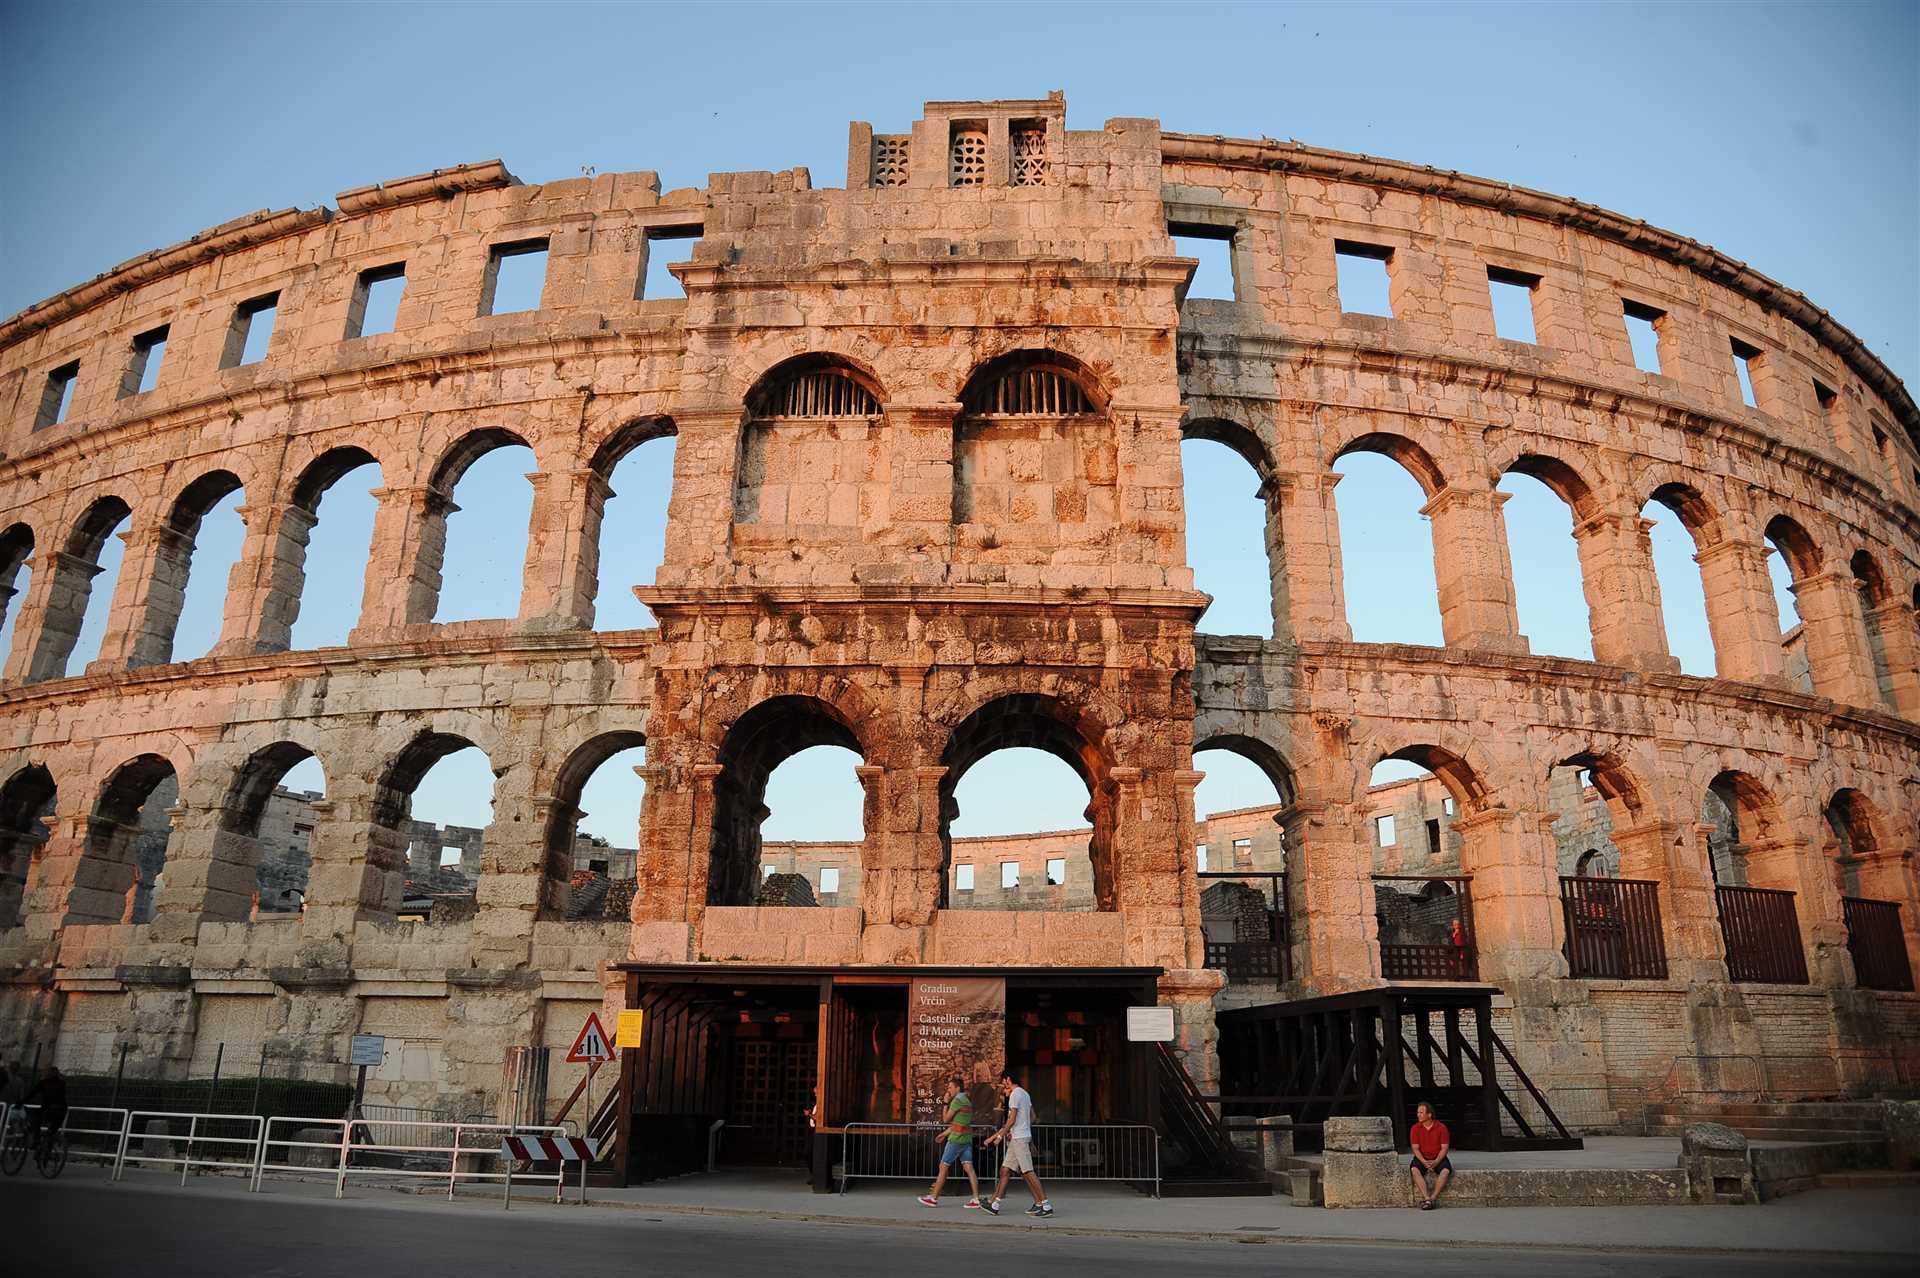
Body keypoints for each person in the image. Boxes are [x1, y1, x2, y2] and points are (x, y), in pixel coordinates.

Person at [981, 1069, 1050, 1217]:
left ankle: (1045, 1205)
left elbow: (1011, 1120)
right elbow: (1032, 1116)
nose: (1003, 1084)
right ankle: (995, 1204)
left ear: (1008, 1079)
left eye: (1003, 1081)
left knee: (1028, 1172)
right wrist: (1020, 1128)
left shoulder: (1014, 1095)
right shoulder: (1025, 1094)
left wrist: (1001, 1136)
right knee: (1005, 1170)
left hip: (1019, 1139)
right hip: (1018, 1137)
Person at [918, 1074, 982, 1208]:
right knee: (969, 1168)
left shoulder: (957, 1100)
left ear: (958, 1088)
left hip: (956, 1140)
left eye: (951, 1087)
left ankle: (933, 1198)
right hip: (966, 1139)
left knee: (943, 1166)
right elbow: (960, 1123)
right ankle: (976, 1199)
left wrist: (945, 1103)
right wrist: (943, 1133)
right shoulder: (967, 1101)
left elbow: (946, 1119)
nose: (949, 1090)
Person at [1408, 1100, 1451, 1209]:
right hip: (1422, 1158)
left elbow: (1444, 1148)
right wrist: (1424, 1161)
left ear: (1429, 1114)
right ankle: (1426, 1197)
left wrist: (1436, 1161)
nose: (1418, 1115)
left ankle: (1432, 1198)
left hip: (1438, 1157)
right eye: (1418, 1112)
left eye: (1421, 1113)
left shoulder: (1441, 1127)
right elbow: (1415, 1148)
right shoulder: (1415, 1128)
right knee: (1414, 1170)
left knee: (1445, 1171)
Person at [23, 1065, 68, 1164]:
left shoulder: (44, 1083)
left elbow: (32, 1094)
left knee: (35, 1118)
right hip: (61, 1111)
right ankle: (46, 1154)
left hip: (49, 1110)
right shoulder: (62, 1083)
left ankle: (36, 1140)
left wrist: (20, 1102)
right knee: (51, 1133)